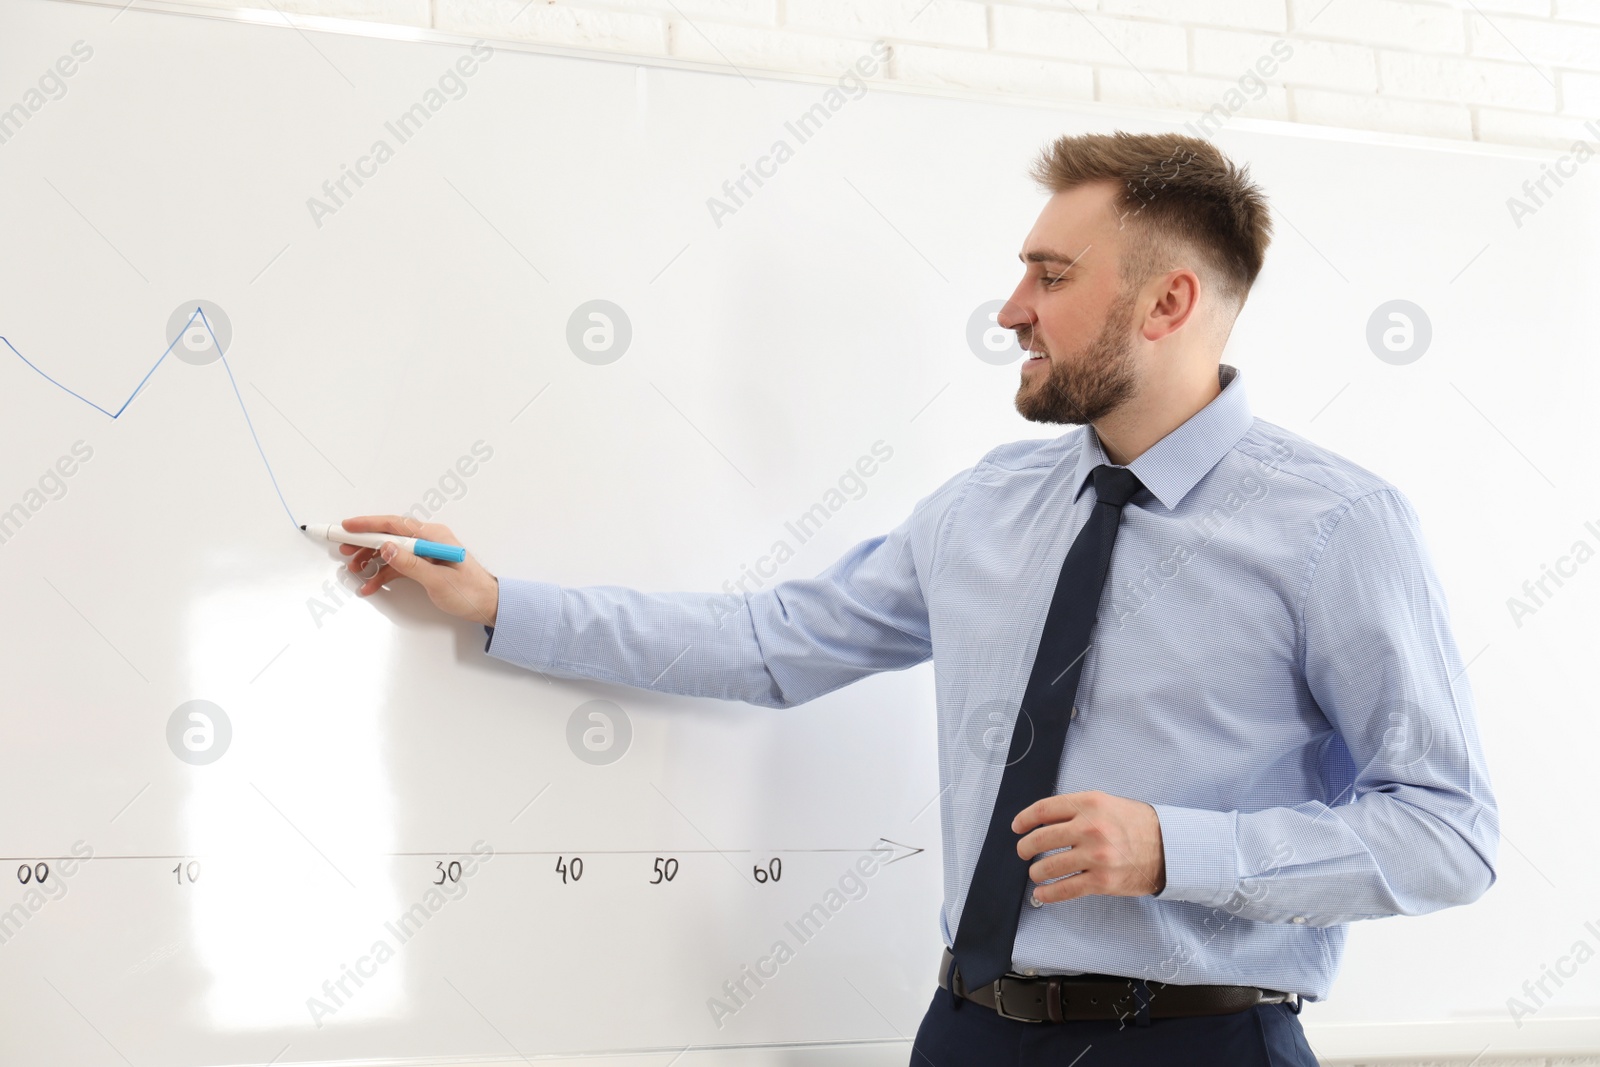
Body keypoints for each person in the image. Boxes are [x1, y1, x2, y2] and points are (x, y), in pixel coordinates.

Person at [335, 131, 1497, 1066]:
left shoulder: (1337, 524)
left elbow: (1447, 832)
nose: (1010, 310)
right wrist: (496, 601)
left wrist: (1170, 847)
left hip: (1201, 1040)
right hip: (965, 1034)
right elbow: (770, 643)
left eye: (1051, 276)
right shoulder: (988, 504)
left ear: (1166, 303)